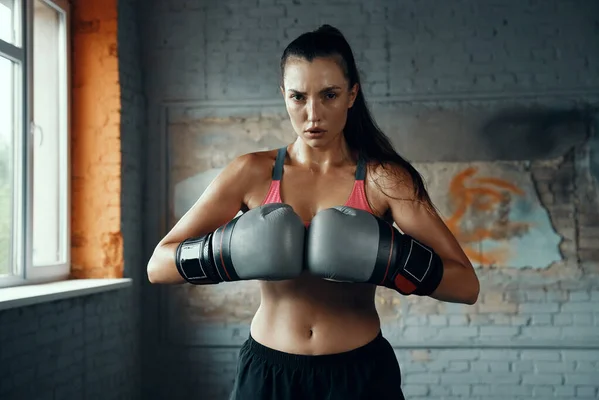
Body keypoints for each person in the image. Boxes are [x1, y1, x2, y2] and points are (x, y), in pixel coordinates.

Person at [147, 24, 480, 400]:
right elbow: (158, 267)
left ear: (352, 94)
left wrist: (393, 260)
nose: (312, 114)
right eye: (298, 97)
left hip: (359, 375)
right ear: (283, 96)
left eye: (329, 95)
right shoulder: (251, 173)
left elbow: (466, 285)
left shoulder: (382, 179)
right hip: (268, 373)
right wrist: (224, 253)